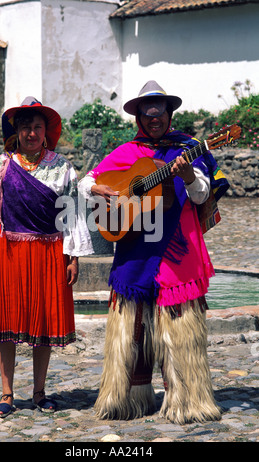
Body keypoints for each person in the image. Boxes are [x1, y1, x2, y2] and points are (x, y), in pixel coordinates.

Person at [78, 81, 229, 424]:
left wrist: (189, 175)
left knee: (179, 324)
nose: (154, 121)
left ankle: (187, 400)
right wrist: (99, 188)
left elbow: (203, 195)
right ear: (140, 120)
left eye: (159, 114)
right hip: (135, 247)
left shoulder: (189, 148)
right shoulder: (129, 151)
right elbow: (85, 183)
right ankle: (129, 398)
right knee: (132, 325)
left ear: (168, 114)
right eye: (147, 116)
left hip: (177, 245)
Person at [0, 97, 93, 417]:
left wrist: (73, 257)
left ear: (46, 131)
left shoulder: (62, 168)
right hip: (7, 250)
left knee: (44, 324)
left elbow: (74, 215)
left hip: (48, 252)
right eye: (26, 127)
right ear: (18, 131)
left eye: (37, 127)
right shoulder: (0, 166)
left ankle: (39, 392)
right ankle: (7, 393)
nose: (32, 133)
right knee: (7, 322)